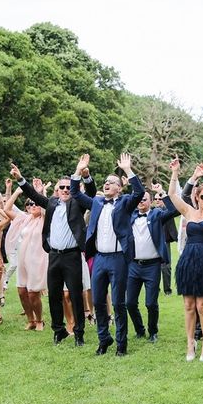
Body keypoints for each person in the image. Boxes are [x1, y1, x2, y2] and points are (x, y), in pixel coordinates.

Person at [71, 153, 145, 357]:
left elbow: (139, 191)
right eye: (105, 182)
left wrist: (128, 170)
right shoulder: (96, 203)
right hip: (100, 259)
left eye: (111, 182)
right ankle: (104, 339)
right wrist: (78, 171)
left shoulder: (125, 202)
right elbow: (75, 193)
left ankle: (121, 344)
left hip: (119, 259)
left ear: (119, 187)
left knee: (119, 303)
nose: (106, 184)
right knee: (98, 302)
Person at [11, 163, 89, 347]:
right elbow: (33, 195)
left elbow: (91, 191)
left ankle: (79, 333)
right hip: (54, 256)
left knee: (75, 295)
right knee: (54, 295)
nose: (64, 190)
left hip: (71, 256)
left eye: (68, 187)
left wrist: (83, 175)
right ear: (56, 190)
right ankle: (58, 330)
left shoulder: (77, 203)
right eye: (61, 187)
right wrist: (20, 178)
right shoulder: (52, 203)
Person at [167, 159, 203, 361]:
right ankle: (190, 344)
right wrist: (175, 173)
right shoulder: (189, 212)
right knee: (188, 306)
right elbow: (172, 195)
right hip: (189, 261)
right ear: (197, 198)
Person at [127, 184, 178, 343]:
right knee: (129, 302)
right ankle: (139, 330)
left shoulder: (156, 214)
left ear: (151, 201)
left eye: (145, 199)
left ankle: (153, 332)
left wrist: (161, 193)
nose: (141, 202)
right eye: (139, 199)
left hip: (152, 266)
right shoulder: (130, 215)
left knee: (150, 303)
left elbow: (174, 210)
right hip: (133, 265)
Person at [4, 187, 48, 331]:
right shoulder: (24, 218)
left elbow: (47, 206)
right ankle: (31, 319)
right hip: (23, 260)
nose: (33, 205)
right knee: (22, 291)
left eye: (36, 203)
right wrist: (16, 192)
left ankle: (40, 320)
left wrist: (41, 193)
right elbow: (7, 208)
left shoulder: (44, 219)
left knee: (33, 292)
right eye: (30, 203)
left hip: (37, 260)